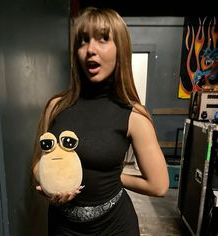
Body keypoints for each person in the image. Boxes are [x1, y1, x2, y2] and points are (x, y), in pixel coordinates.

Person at [32, 6, 169, 236]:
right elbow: (37, 162)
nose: (90, 50)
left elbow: (159, 185)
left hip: (114, 227)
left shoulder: (134, 115)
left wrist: (117, 178)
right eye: (83, 41)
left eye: (103, 39)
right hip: (63, 227)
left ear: (121, 50)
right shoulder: (56, 106)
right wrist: (48, 187)